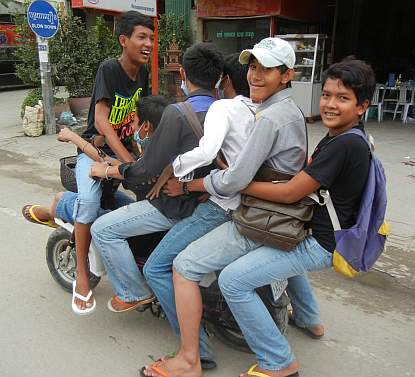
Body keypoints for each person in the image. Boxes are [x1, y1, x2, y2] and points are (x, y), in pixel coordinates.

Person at [143, 37, 307, 377]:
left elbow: (234, 180)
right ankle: (310, 318)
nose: (256, 76)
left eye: (267, 70)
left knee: (182, 266)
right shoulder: (282, 111)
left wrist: (188, 183)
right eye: (253, 67)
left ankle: (191, 358)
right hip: (277, 213)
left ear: (287, 75)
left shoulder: (268, 118)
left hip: (256, 216)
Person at [206, 57, 374, 377]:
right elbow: (306, 172)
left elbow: (289, 193)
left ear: (362, 105)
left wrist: (239, 183)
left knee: (233, 281)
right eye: (326, 95)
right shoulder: (347, 135)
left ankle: (278, 362)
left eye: (343, 98)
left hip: (321, 242)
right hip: (327, 234)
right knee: (282, 246)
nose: (330, 104)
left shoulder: (343, 145)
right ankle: (310, 319)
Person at [89, 43, 223, 323]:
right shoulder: (229, 109)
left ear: (183, 73)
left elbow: (146, 169)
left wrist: (110, 171)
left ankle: (132, 291)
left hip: (176, 204)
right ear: (219, 78)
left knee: (102, 228)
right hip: (213, 201)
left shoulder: (178, 113)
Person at [141, 52, 255, 372]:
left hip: (217, 205)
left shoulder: (209, 108)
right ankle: (307, 315)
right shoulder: (259, 111)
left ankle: (194, 351)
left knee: (158, 267)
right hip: (251, 206)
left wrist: (173, 171)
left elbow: (192, 155)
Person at [70, 11, 154, 315]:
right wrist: (128, 159)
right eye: (141, 37)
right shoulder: (110, 68)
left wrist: (142, 148)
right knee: (90, 204)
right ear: (124, 40)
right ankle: (81, 273)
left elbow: (132, 113)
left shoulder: (142, 73)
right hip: (94, 150)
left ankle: (142, 262)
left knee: (148, 196)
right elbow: (102, 121)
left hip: (123, 150)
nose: (148, 44)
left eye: (151, 38)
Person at [22, 95, 170, 233]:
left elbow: (120, 168)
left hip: (151, 224)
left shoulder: (148, 161)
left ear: (146, 126)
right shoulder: (161, 149)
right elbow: (111, 161)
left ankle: (52, 212)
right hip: (155, 210)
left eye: (133, 122)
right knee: (112, 198)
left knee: (67, 200)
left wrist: (103, 170)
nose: (131, 127)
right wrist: (77, 139)